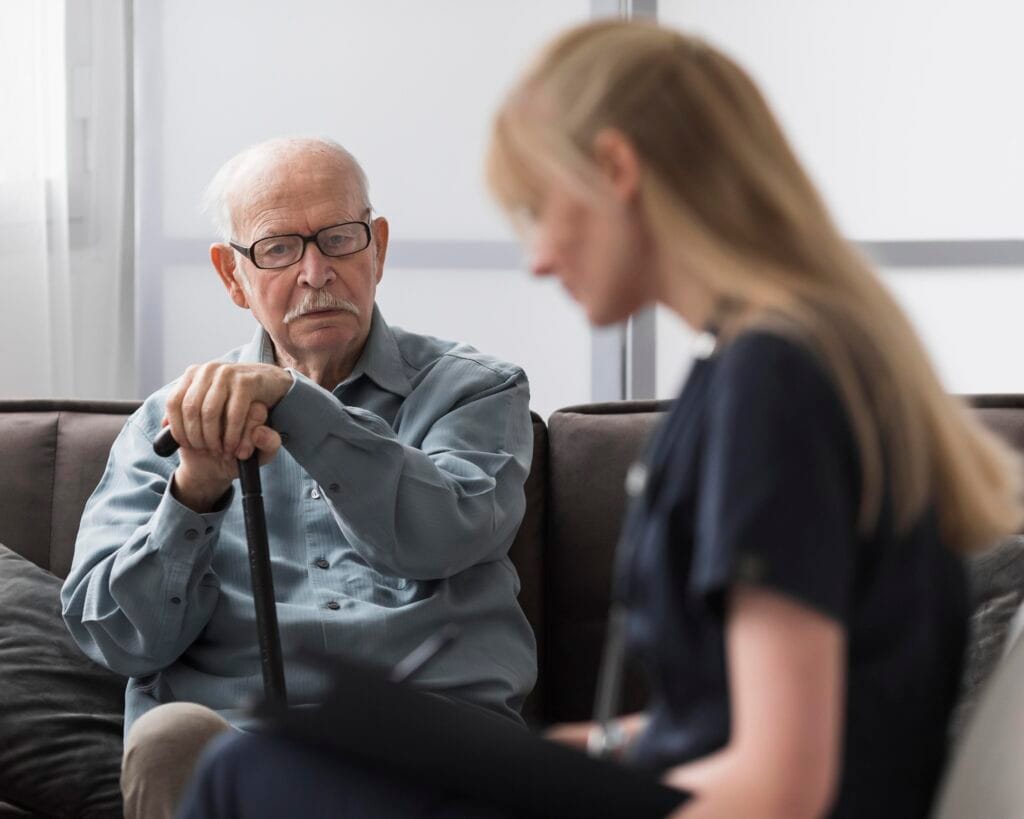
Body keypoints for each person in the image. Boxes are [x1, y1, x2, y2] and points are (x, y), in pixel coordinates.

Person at [177, 20, 1023, 819]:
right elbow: (730, 725)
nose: (539, 259)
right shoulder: (786, 358)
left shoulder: (774, 385)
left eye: (540, 210)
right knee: (269, 765)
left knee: (244, 772)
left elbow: (781, 787)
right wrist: (542, 755)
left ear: (616, 171)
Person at [60, 136, 537, 819]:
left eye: (339, 238)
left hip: (430, 743)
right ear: (232, 276)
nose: (317, 271)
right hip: (238, 744)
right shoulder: (167, 424)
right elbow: (116, 637)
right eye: (279, 248)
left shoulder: (475, 391)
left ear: (378, 248)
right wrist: (194, 493)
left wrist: (294, 401)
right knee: (170, 737)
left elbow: (440, 535)